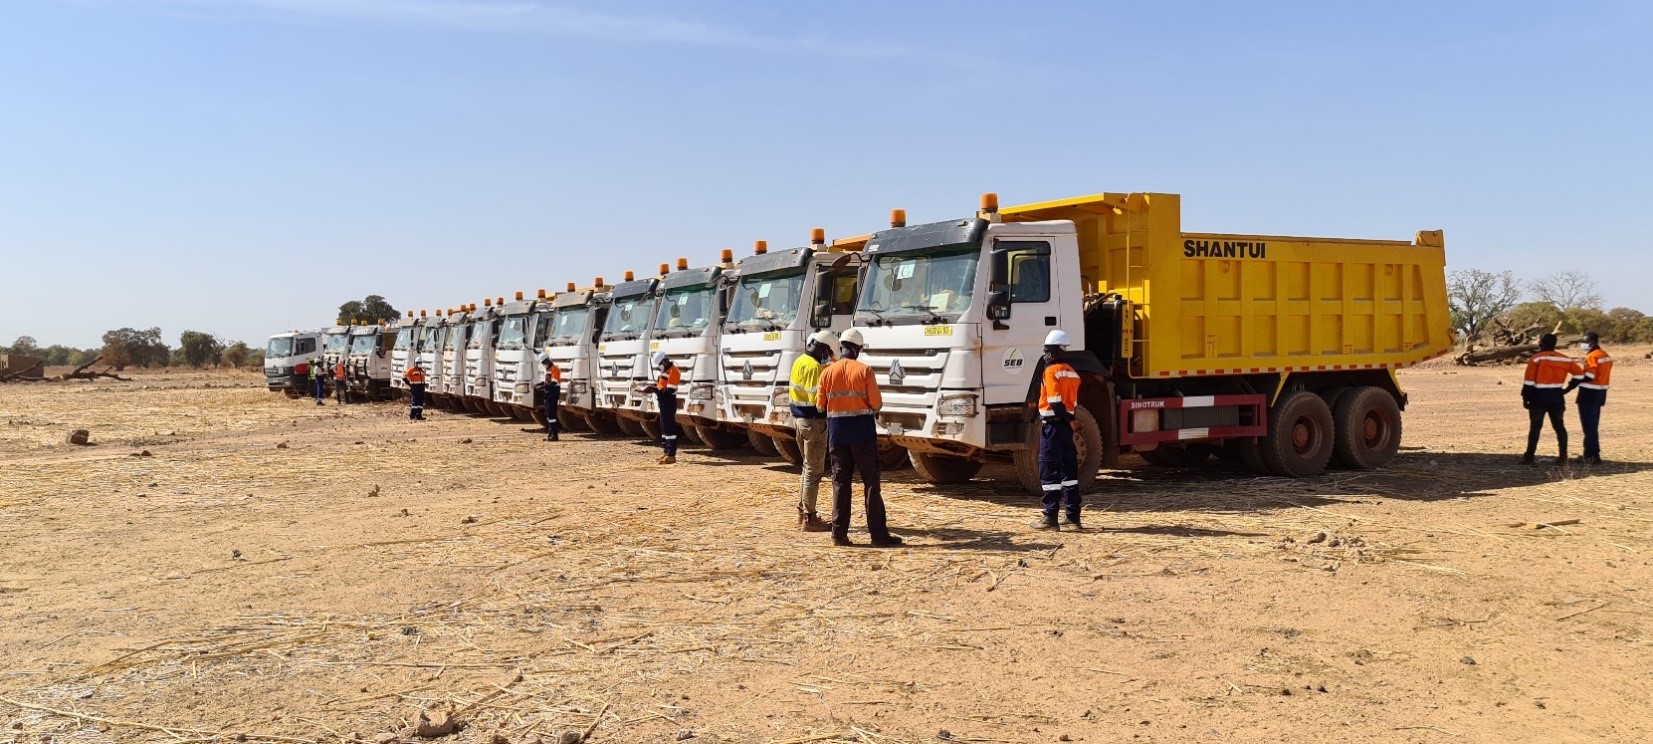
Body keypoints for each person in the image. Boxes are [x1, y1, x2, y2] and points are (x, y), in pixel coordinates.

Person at [816, 328, 902, 547]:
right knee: (871, 483)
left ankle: (839, 535)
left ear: (842, 347)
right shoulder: (864, 371)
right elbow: (876, 404)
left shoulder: (826, 372)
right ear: (857, 348)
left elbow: (820, 406)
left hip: (837, 436)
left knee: (841, 483)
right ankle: (878, 536)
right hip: (862, 434)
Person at [1032, 330, 1084, 531]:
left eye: (1046, 351)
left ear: (1052, 352)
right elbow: (1071, 403)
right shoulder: (1072, 372)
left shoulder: (1051, 371)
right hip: (1066, 429)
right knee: (1069, 471)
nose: (1045, 355)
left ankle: (1050, 518)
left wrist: (1070, 419)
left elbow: (1055, 402)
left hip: (1053, 426)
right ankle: (1073, 517)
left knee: (1049, 469)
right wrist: (1072, 421)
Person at [789, 330, 838, 532]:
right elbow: (818, 403)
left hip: (799, 421)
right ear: (823, 348)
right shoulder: (816, 369)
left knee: (806, 468)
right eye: (828, 351)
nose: (828, 355)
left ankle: (802, 513)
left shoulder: (799, 361)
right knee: (814, 471)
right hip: (814, 424)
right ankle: (810, 519)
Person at [1521, 333, 1583, 465]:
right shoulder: (1565, 359)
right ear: (1555, 344)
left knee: (1535, 427)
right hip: (1557, 397)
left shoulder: (1536, 358)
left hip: (1538, 398)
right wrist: (1567, 389)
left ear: (1541, 343)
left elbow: (1529, 381)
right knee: (1560, 427)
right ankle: (1563, 457)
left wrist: (1525, 398)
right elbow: (1579, 374)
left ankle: (1529, 456)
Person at [1566, 331, 1614, 465]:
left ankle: (1593, 455)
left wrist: (1570, 386)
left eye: (1585, 342)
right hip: (1600, 393)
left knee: (1589, 427)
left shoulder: (1592, 356)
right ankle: (1589, 454)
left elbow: (1589, 376)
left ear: (1592, 342)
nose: (1583, 344)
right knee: (1593, 425)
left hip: (1588, 394)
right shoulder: (1605, 355)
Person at [640, 351, 681, 464]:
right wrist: (652, 388)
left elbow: (669, 390)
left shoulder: (673, 371)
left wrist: (654, 390)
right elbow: (662, 386)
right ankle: (666, 452)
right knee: (663, 426)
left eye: (660, 364)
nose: (659, 366)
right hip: (663, 402)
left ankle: (671, 455)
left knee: (669, 427)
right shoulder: (666, 371)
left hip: (668, 401)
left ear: (664, 361)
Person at [535, 356, 563, 441]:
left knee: (552, 416)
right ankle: (550, 433)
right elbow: (547, 382)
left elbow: (553, 383)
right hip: (548, 395)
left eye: (544, 362)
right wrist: (540, 384)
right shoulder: (548, 370)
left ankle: (554, 435)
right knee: (548, 415)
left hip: (552, 395)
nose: (544, 364)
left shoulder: (555, 369)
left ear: (548, 360)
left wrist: (542, 387)